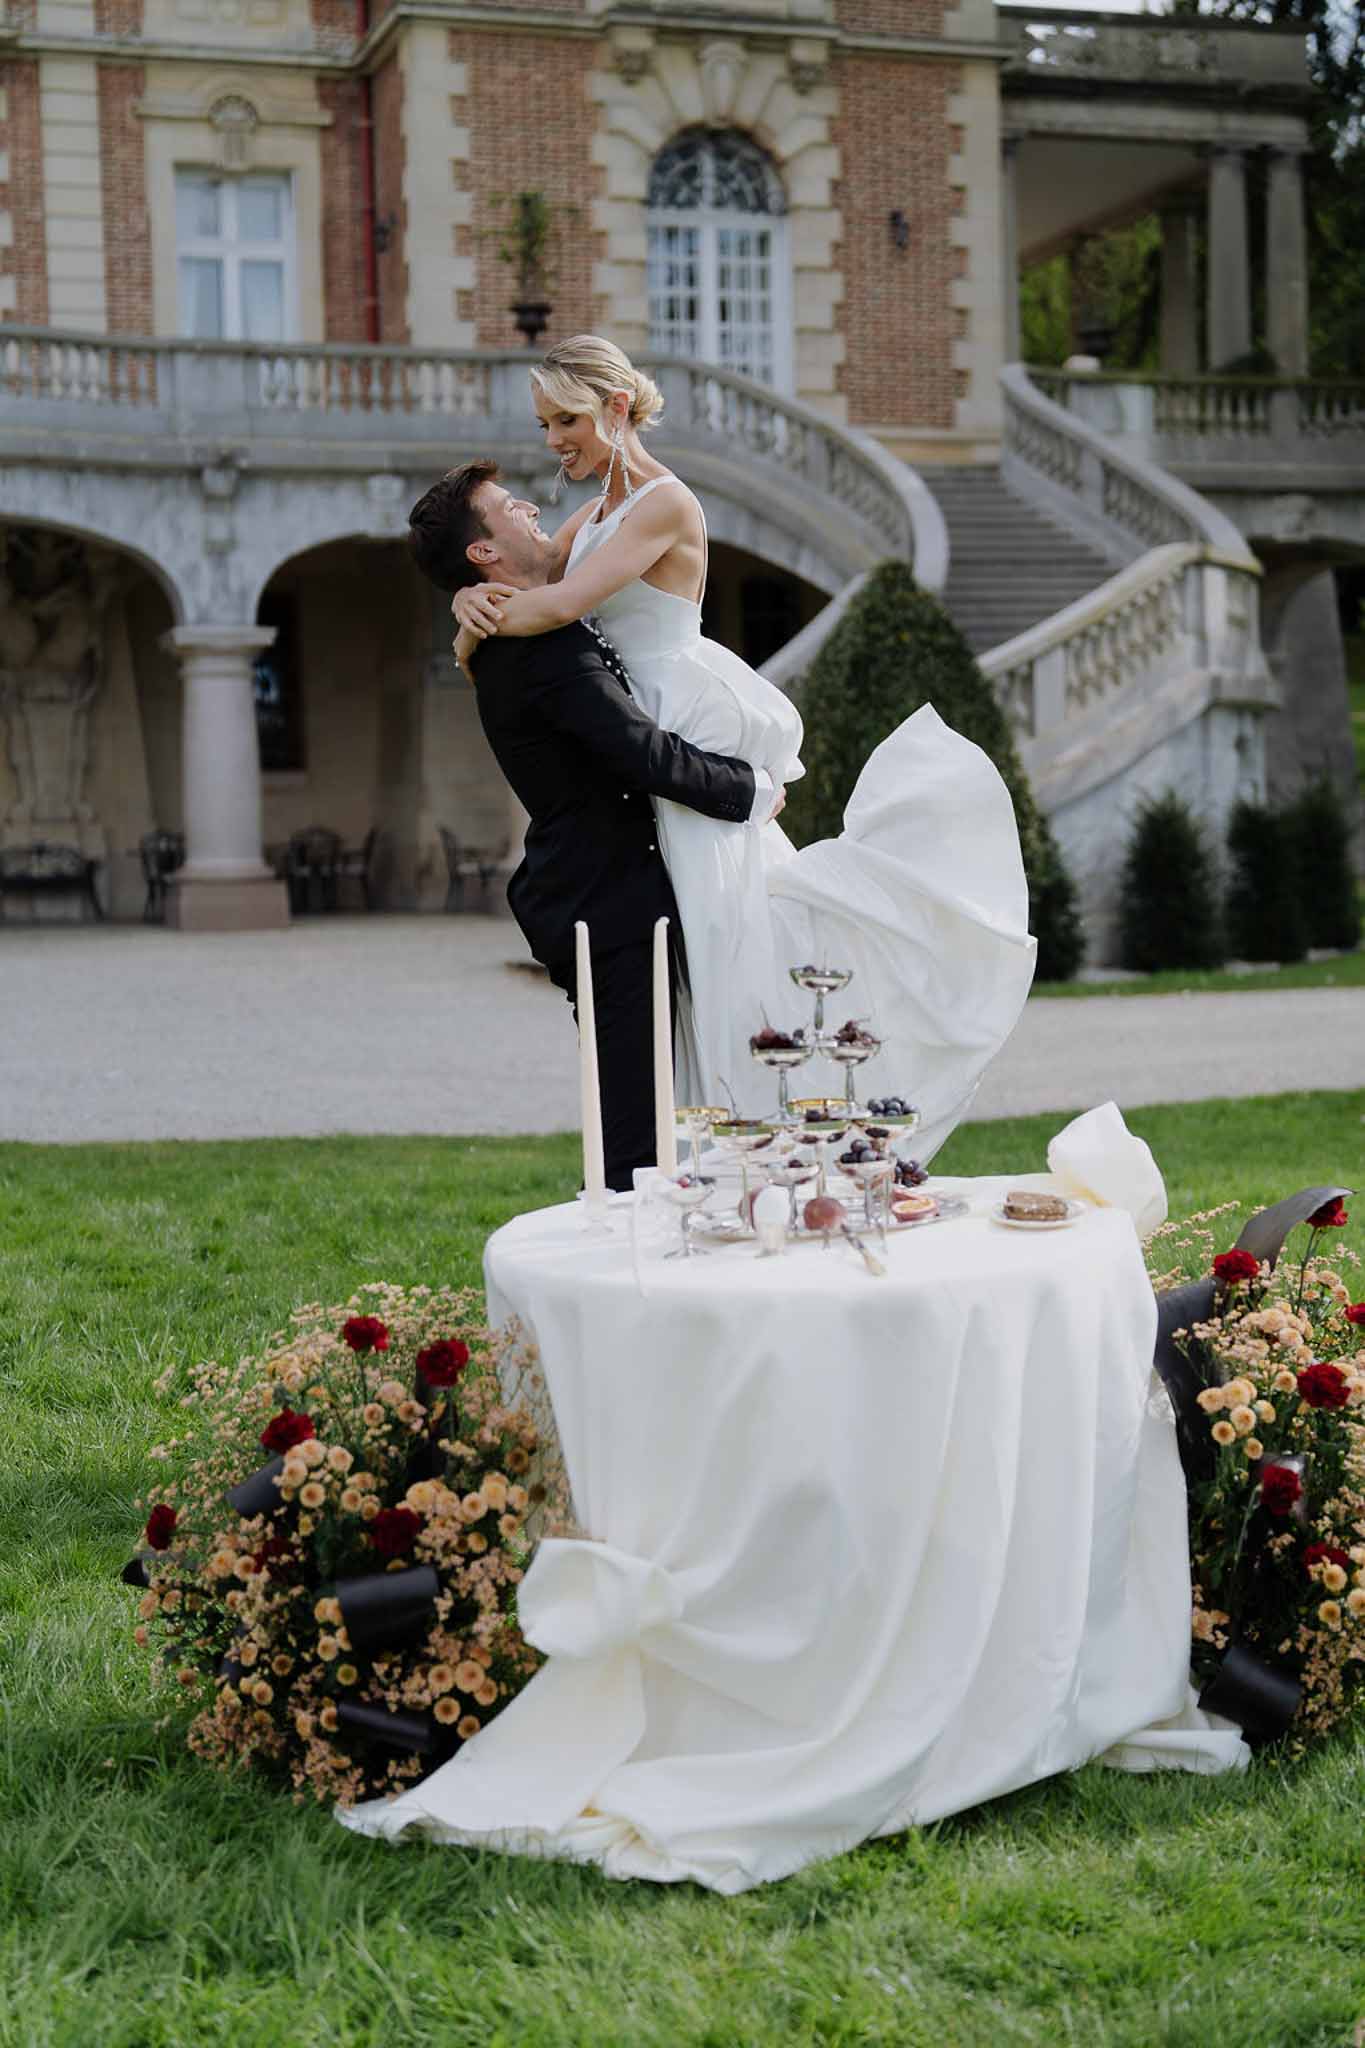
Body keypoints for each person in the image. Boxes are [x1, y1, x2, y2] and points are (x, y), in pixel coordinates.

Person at [451, 335, 1038, 1159]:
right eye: (546, 422)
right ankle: (682, 1153)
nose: (553, 440)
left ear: (617, 409)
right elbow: (536, 574)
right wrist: (477, 594)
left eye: (567, 418)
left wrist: (469, 634)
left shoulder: (663, 502)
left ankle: (751, 1139)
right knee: (682, 942)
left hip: (675, 713)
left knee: (725, 939)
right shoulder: (594, 510)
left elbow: (561, 603)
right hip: (634, 718)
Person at [407, 459, 774, 1191]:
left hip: (613, 889)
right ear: (483, 552)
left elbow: (610, 508)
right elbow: (639, 752)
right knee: (635, 1123)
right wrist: (753, 788)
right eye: (511, 508)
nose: (532, 509)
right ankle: (621, 1269)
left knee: (651, 1102)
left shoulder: (533, 621)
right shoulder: (533, 648)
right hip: (601, 903)